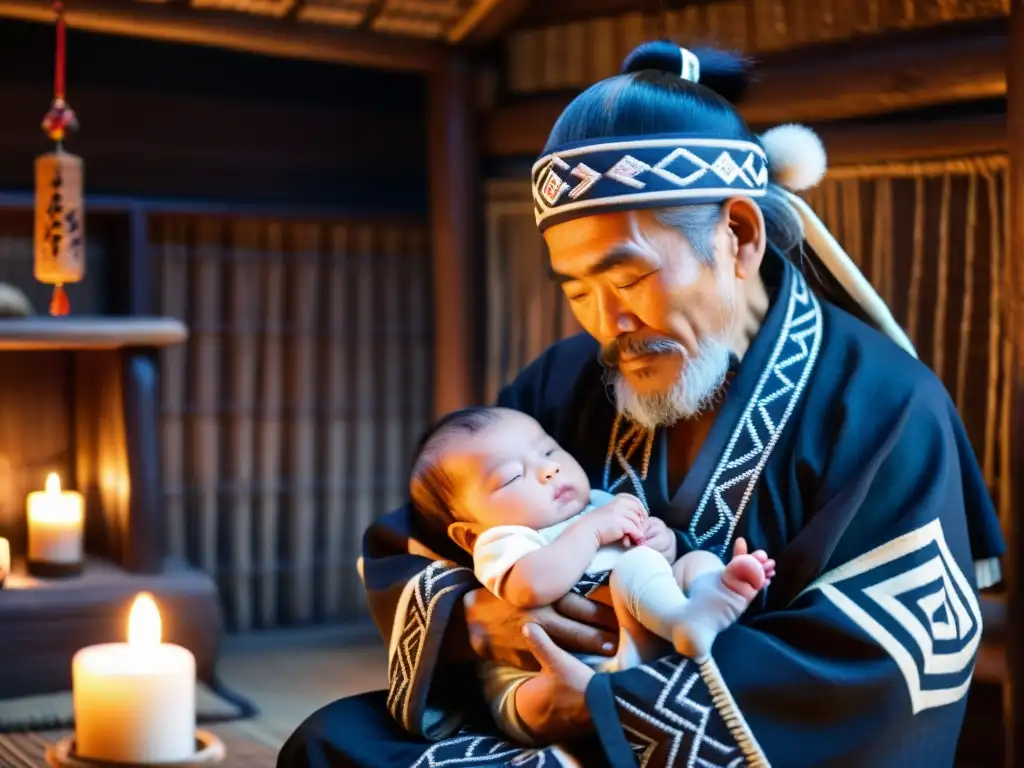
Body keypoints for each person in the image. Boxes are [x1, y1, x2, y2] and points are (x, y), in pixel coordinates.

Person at [277, 40, 1007, 768]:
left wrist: (612, 705)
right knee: (329, 744)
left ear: (740, 234)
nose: (605, 324)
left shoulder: (883, 405)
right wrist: (478, 619)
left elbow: (878, 665)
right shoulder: (564, 383)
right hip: (538, 724)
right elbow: (435, 528)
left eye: (626, 278)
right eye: (575, 290)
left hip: (697, 746)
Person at [408, 405, 775, 746]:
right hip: (545, 671)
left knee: (693, 561)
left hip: (635, 633)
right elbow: (531, 588)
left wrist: (658, 541)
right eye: (512, 477)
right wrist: (593, 532)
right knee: (529, 701)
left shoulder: (598, 505)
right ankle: (681, 625)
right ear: (469, 533)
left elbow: (652, 560)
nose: (547, 469)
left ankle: (711, 596)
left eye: (549, 451)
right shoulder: (503, 539)